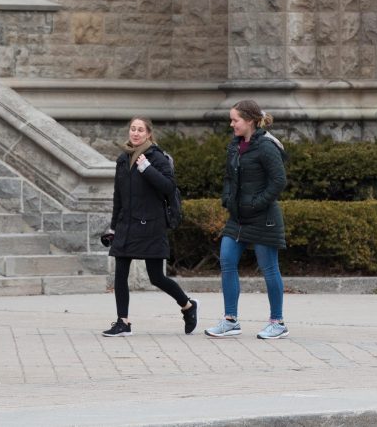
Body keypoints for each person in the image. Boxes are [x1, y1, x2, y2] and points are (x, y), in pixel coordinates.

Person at [101, 117, 197, 337]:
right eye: (133, 129)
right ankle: (122, 322)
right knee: (120, 274)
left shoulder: (157, 157)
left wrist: (147, 168)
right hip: (126, 225)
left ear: (148, 134)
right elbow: (119, 196)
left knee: (156, 277)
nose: (135, 133)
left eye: (140, 130)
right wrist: (113, 227)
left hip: (151, 226)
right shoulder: (122, 159)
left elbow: (168, 187)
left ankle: (188, 306)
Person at [204, 99, 289, 340]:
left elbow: (278, 181)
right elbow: (230, 178)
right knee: (227, 260)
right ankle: (230, 320)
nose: (232, 124)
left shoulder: (266, 147)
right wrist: (228, 199)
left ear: (250, 121)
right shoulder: (235, 145)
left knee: (269, 269)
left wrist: (256, 203)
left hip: (263, 218)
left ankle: (278, 322)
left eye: (235, 120)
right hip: (238, 217)